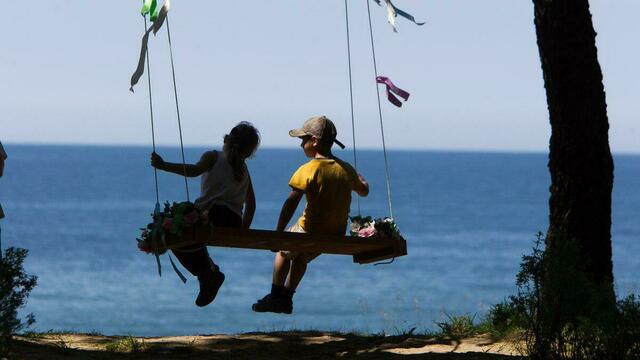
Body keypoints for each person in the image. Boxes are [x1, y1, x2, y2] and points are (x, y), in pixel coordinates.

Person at [252, 116, 369, 314]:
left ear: (314, 141)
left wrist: (279, 232)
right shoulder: (346, 169)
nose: (300, 145)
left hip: (309, 230)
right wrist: (358, 177)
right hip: (335, 234)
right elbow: (364, 190)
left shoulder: (308, 169)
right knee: (301, 258)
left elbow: (291, 202)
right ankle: (287, 299)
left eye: (303, 140)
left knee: (283, 251)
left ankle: (275, 295)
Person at [151, 122, 260, 307]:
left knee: (174, 231)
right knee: (183, 231)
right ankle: (208, 274)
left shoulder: (213, 156)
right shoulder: (242, 169)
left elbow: (193, 171)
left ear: (227, 138)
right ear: (249, 153)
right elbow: (251, 204)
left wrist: (163, 165)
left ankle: (207, 274)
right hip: (232, 221)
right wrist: (243, 231)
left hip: (211, 215)